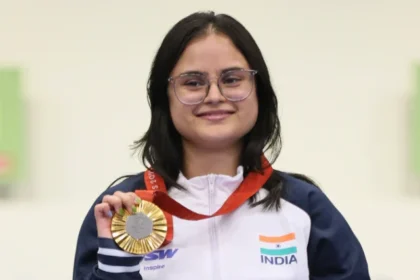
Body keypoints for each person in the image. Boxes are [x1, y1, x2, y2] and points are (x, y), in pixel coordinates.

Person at [73, 11, 370, 280]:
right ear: (164, 99)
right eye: (193, 82)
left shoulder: (304, 205)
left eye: (231, 79)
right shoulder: (123, 207)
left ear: (259, 91)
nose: (214, 95)